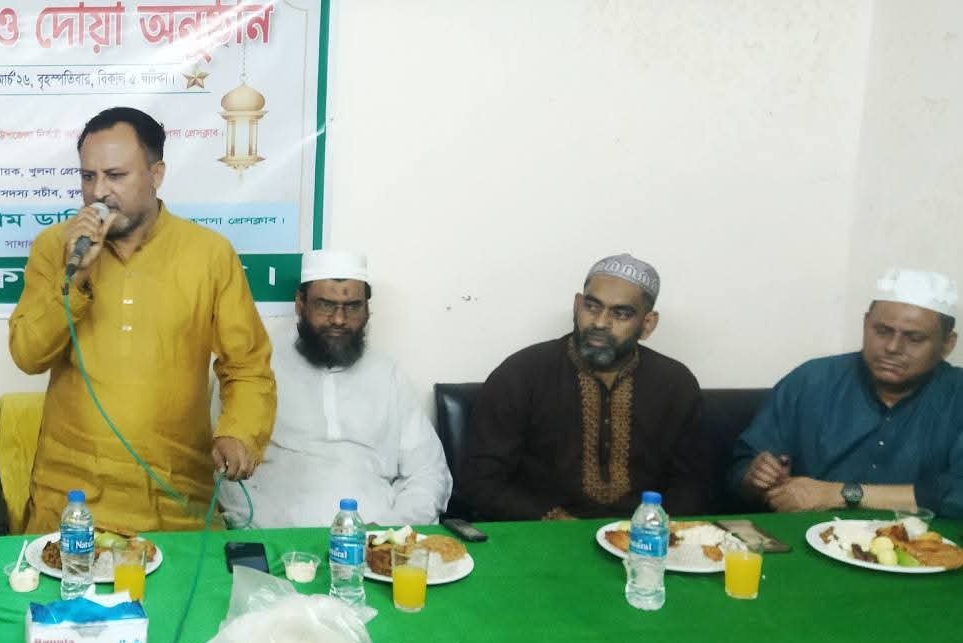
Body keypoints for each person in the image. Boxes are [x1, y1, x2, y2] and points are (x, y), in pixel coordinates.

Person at [8, 107, 275, 533]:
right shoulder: (55, 246)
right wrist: (75, 277)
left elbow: (247, 365)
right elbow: (28, 355)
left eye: (115, 176)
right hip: (71, 498)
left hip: (173, 495)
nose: (98, 192)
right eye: (88, 177)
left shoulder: (209, 254)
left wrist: (239, 434)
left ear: (156, 174)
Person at [456, 254, 708, 520]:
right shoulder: (522, 374)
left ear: (648, 324)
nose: (600, 323)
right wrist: (551, 520)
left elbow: (693, 484)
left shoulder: (675, 384)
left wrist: (650, 528)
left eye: (621, 314)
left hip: (643, 536)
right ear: (577, 305)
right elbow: (480, 480)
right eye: (592, 306)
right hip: (542, 532)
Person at [223, 251, 450, 527]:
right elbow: (223, 469)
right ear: (300, 304)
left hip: (374, 536)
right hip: (274, 534)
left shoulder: (388, 375)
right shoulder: (254, 370)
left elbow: (428, 471)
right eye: (325, 305)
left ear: (367, 309)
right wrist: (261, 534)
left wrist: (391, 530)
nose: (339, 319)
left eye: (352, 306)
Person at [734, 268, 963, 517]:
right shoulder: (812, 380)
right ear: (865, 323)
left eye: (914, 338)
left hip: (924, 540)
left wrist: (838, 494)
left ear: (947, 344)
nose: (892, 347)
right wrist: (756, 476)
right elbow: (740, 472)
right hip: (809, 534)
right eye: (882, 331)